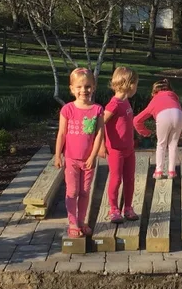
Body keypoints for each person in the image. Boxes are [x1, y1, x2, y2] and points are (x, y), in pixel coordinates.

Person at [54, 68, 103, 238]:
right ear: (72, 89)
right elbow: (61, 133)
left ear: (94, 87)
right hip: (71, 159)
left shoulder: (97, 110)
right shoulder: (67, 109)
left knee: (84, 192)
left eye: (88, 86)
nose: (84, 90)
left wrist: (93, 156)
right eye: (79, 87)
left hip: (88, 160)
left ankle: (82, 221)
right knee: (72, 191)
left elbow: (99, 134)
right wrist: (57, 155)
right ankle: (72, 222)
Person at [89, 66, 140, 223]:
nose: (136, 87)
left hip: (129, 149)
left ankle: (128, 208)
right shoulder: (114, 104)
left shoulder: (126, 102)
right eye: (136, 84)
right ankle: (113, 209)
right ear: (129, 84)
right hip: (116, 150)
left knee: (129, 179)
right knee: (116, 179)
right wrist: (101, 145)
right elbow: (99, 124)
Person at [134, 79, 182, 180]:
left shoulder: (155, 100)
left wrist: (145, 132)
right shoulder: (174, 98)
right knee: (173, 144)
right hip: (178, 114)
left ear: (154, 92)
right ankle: (172, 172)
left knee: (161, 144)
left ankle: (158, 172)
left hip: (163, 116)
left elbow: (136, 120)